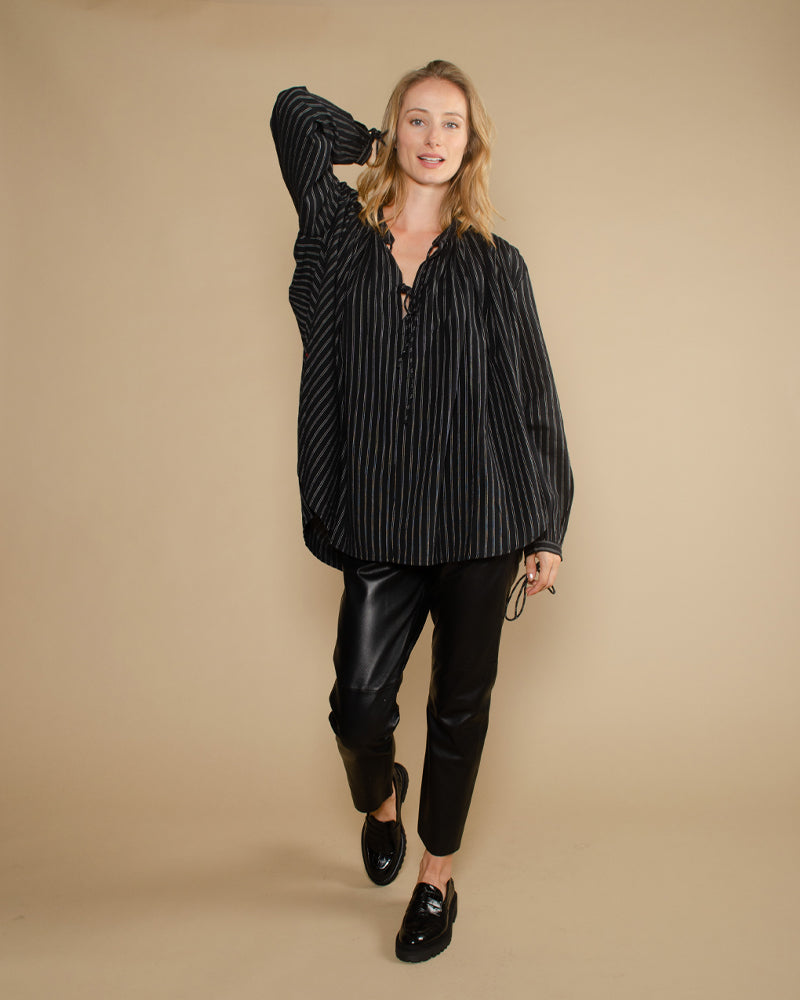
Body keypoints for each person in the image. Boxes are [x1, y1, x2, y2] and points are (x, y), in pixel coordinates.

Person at [270, 59, 573, 963]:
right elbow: (292, 115)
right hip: (379, 518)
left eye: (451, 124)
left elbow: (532, 398)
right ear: (395, 129)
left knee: (458, 709)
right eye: (417, 120)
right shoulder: (339, 235)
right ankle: (381, 801)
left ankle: (436, 880)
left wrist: (546, 526)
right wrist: (371, 147)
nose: (433, 138)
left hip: (481, 521)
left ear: (471, 144)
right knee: (357, 709)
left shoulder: (495, 265)